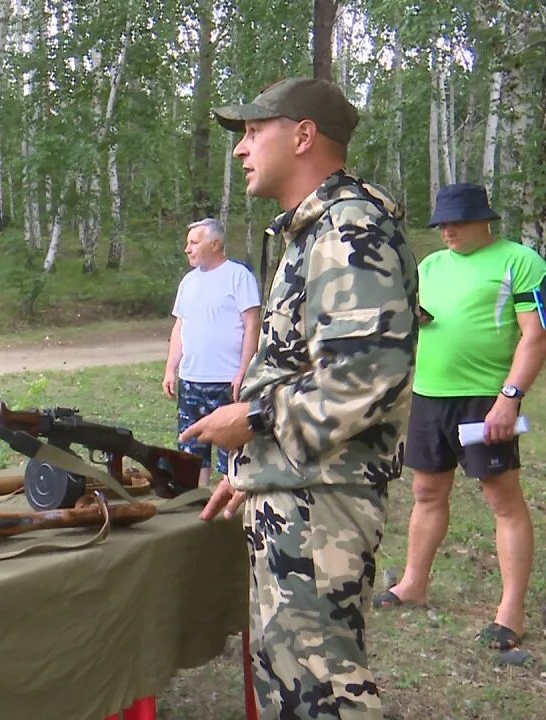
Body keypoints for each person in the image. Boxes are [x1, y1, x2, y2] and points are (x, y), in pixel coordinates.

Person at [184, 78, 419, 719]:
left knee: (323, 695)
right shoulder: (311, 232)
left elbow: (368, 376)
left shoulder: (349, 230)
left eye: (254, 131)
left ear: (303, 135)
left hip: (324, 505)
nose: (241, 149)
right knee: (292, 684)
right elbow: (308, 365)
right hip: (297, 488)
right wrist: (256, 470)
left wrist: (254, 419)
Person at [373, 182, 545, 653]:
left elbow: (535, 337)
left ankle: (511, 610)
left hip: (484, 399)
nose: (446, 231)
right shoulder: (430, 265)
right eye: (440, 224)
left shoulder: (521, 261)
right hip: (429, 396)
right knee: (426, 491)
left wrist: (510, 398)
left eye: (455, 222)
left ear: (482, 220)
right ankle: (413, 582)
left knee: (502, 498)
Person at [162, 217, 261, 487]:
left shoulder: (239, 276)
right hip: (191, 381)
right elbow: (179, 327)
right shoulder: (188, 282)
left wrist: (243, 371)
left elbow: (252, 323)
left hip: (226, 382)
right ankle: (198, 505)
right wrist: (171, 369)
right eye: (187, 243)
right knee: (192, 454)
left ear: (215, 244)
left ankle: (230, 511)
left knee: (231, 455)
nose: (188, 249)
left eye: (194, 242)